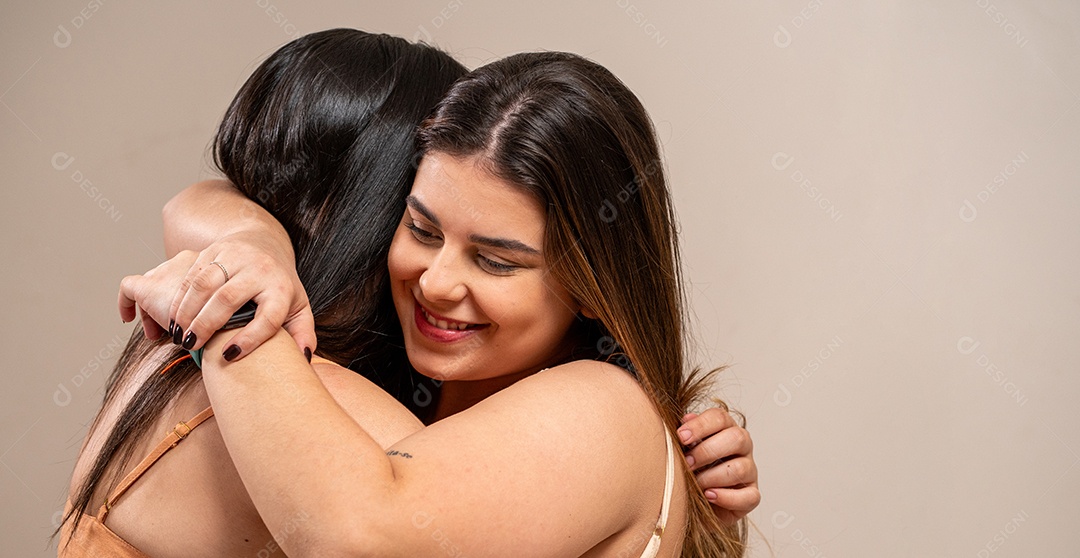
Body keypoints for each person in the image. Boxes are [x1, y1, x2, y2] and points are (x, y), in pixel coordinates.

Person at [63, 30, 757, 557]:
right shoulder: (369, 401)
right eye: (420, 228)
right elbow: (205, 197)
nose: (436, 281)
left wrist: (233, 301)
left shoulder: (607, 411)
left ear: (591, 287)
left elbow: (363, 533)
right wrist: (251, 253)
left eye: (497, 261)